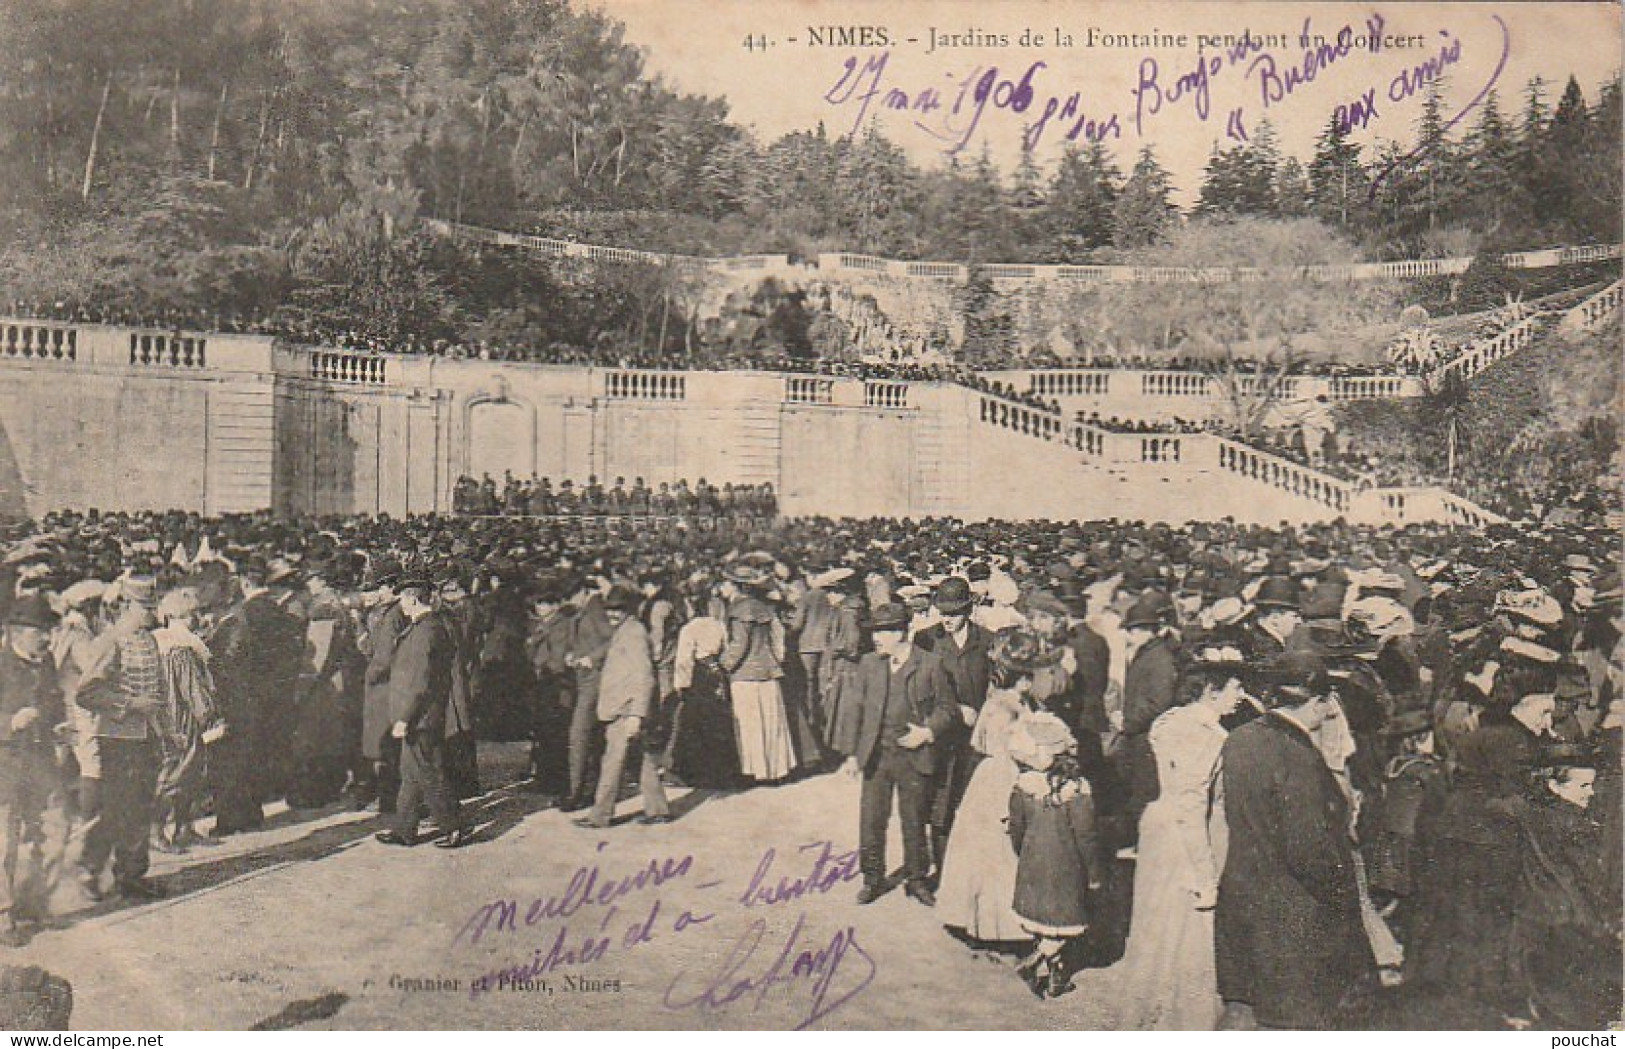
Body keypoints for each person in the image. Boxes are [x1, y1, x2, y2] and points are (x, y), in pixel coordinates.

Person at [1215, 649, 1376, 1030]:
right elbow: (1308, 849)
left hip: (1243, 897)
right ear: (1320, 703)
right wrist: (1343, 895)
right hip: (1294, 914)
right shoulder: (1299, 757)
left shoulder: (1239, 739)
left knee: (1249, 1012)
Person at [1090, 660, 1251, 1029]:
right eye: (1235, 688)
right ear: (1211, 691)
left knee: (1156, 923)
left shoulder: (1171, 721)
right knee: (1187, 927)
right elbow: (1191, 803)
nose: (1241, 697)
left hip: (1160, 827)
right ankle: (1180, 1019)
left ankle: (1148, 1009)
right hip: (1186, 836)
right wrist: (1205, 872)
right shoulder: (1206, 735)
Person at [841, 602, 956, 907]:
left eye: (882, 632)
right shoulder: (869, 663)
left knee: (914, 818)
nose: (875, 638)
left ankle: (916, 879)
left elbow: (948, 709)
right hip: (877, 756)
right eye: (875, 631)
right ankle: (872, 878)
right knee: (872, 819)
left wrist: (927, 732)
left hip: (913, 756)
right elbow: (857, 709)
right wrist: (853, 754)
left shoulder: (930, 664)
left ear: (901, 633)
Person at [936, 629, 1044, 943]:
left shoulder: (996, 700)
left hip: (988, 775)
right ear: (1023, 678)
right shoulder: (1012, 710)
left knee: (982, 847)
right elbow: (1021, 749)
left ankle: (975, 915)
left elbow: (981, 744)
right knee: (1001, 847)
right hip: (1007, 776)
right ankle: (1001, 923)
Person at [74, 577, 167, 901]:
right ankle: (90, 868)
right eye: (145, 607)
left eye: (153, 607)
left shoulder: (150, 641)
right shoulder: (109, 641)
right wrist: (128, 705)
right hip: (117, 738)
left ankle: (131, 875)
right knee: (116, 809)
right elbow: (86, 693)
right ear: (126, 605)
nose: (151, 614)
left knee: (140, 806)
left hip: (145, 736)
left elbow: (157, 689)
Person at [1007, 712, 1105, 1000]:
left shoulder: (1023, 786)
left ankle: (1056, 976)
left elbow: (1017, 829)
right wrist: (1095, 874)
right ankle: (1035, 963)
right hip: (1066, 867)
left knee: (1042, 920)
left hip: (1032, 862)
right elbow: (1086, 837)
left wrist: (1022, 852)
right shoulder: (1078, 790)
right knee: (1061, 925)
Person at [375, 577, 469, 849]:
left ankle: (455, 825)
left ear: (413, 599)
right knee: (411, 772)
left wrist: (405, 718)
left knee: (428, 772)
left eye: (403, 599)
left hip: (420, 717)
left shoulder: (425, 631)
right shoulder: (426, 627)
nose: (401, 604)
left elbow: (420, 682)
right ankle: (405, 829)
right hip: (423, 714)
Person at [912, 576, 992, 882]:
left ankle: (973, 871)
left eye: (954, 613)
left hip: (977, 738)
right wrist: (956, 711)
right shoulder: (925, 640)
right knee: (940, 806)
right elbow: (919, 692)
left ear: (969, 610)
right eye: (942, 611)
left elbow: (996, 688)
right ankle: (945, 873)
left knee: (973, 803)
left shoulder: (987, 640)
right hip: (941, 735)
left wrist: (983, 716)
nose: (947, 618)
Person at [574, 585, 670, 829]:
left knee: (612, 762)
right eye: (609, 609)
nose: (613, 614)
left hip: (626, 710)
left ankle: (600, 816)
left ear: (627, 609)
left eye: (618, 609)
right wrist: (591, 658)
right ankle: (658, 809)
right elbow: (610, 649)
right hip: (626, 708)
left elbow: (644, 675)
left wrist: (637, 714)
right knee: (642, 759)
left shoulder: (633, 633)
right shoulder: (626, 629)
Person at [0, 595, 65, 935]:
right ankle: (3, 915)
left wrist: (59, 725)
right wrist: (11, 721)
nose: (47, 638)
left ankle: (32, 902)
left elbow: (55, 703)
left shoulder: (47, 661)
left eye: (48, 631)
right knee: (5, 842)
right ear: (17, 632)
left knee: (51, 834)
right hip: (5, 767)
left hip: (41, 764)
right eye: (41, 631)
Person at [150, 588, 219, 852]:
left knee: (176, 773)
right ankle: (158, 830)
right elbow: (192, 690)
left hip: (162, 716)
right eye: (194, 613)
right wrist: (210, 715)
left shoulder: (157, 641)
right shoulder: (183, 647)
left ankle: (182, 828)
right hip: (183, 717)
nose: (199, 618)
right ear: (181, 615)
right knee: (180, 774)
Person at [719, 564, 796, 784]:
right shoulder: (762, 607)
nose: (722, 587)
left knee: (750, 723)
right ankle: (776, 769)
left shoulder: (739, 610)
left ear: (736, 586)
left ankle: (756, 772)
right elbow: (777, 637)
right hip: (768, 669)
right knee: (771, 720)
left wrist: (723, 664)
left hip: (746, 674)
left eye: (725, 583)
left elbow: (739, 644)